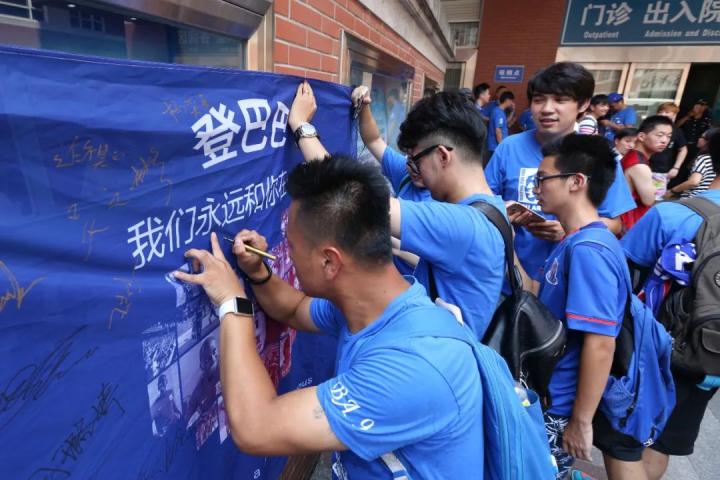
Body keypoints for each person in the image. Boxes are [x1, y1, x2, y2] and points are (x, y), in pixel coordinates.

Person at [172, 153, 491, 477]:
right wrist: (258, 272)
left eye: (291, 246)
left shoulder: (412, 369)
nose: (285, 254)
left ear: (329, 262)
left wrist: (232, 302)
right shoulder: (378, 305)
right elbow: (295, 308)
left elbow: (257, 427)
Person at [293, 81, 505, 339]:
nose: (414, 170)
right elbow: (373, 142)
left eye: (416, 160)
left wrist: (302, 127)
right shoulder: (491, 210)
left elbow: (349, 195)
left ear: (442, 156)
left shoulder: (463, 224)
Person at [518, 134, 646, 480]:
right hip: (550, 394)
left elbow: (601, 342)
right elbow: (538, 294)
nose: (536, 188)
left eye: (542, 179)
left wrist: (580, 421)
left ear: (576, 182)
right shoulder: (575, 240)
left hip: (559, 403)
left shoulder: (589, 250)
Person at [621, 130, 720, 480]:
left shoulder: (673, 214)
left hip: (657, 347)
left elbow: (625, 273)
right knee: (662, 443)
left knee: (628, 441)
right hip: (710, 355)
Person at [485, 62, 635, 281]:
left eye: (560, 100)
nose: (547, 108)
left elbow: (616, 224)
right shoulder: (509, 147)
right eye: (539, 100)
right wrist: (502, 214)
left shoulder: (599, 154)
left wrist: (571, 229)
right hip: (509, 275)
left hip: (566, 279)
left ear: (583, 104)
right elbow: (484, 201)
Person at [351, 85, 430, 276]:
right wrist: (365, 106)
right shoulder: (406, 174)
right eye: (410, 160)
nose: (414, 170)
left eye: (420, 163)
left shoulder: (449, 204)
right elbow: (374, 140)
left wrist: (385, 237)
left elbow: (429, 261)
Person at [620, 115, 673, 232]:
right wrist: (654, 188)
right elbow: (649, 200)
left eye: (669, 136)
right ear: (641, 136)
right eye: (659, 135)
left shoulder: (632, 155)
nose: (665, 140)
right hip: (628, 223)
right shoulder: (640, 166)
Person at [665, 127, 718, 199]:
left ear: (709, 141)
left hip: (693, 199)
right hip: (708, 199)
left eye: (702, 137)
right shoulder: (715, 159)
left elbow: (694, 182)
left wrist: (672, 191)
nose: (699, 139)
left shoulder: (704, 159)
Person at [651, 102, 688, 189]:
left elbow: (683, 149)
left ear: (674, 114)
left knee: (656, 195)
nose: (663, 114)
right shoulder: (649, 127)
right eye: (660, 112)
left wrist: (676, 168)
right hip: (643, 167)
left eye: (667, 112)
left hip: (662, 172)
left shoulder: (676, 131)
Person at [186, 336, 220, 425]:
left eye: (214, 351)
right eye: (208, 359)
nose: (213, 359)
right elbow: (190, 412)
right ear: (203, 365)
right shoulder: (200, 386)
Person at [487, 90, 515, 159]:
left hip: (494, 146)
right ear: (507, 100)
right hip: (496, 147)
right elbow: (498, 131)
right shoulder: (499, 113)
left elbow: (504, 123)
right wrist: (501, 146)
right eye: (511, 101)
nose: (512, 103)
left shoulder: (497, 110)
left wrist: (512, 111)